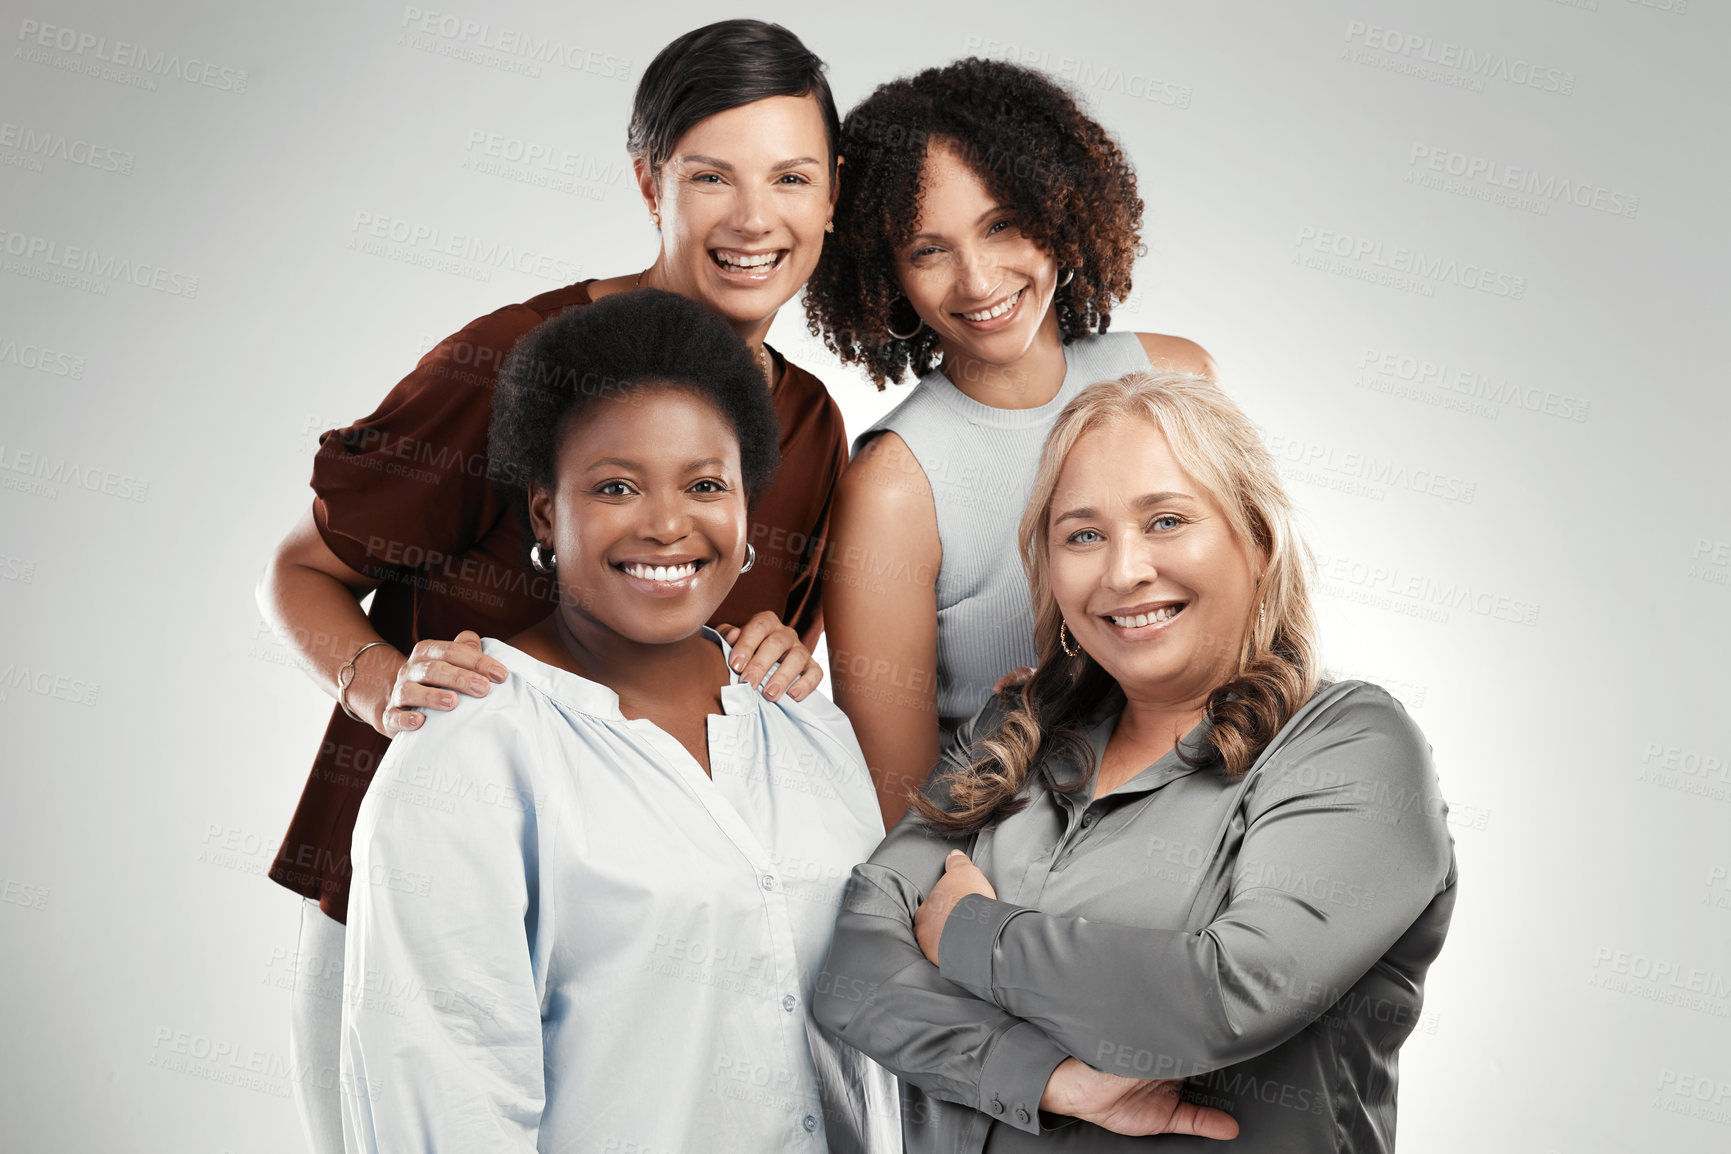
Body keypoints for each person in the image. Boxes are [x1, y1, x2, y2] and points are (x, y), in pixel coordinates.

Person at [255, 21, 849, 1152]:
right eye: (708, 175)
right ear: (648, 185)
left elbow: (739, 649)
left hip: (644, 928)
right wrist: (384, 687)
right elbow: (301, 566)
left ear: (831, 198)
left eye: (791, 176)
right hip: (422, 902)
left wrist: (781, 648)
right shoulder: (520, 364)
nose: (753, 217)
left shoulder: (812, 426)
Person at [814, 371, 1458, 1152]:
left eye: (1165, 521)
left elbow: (1222, 999)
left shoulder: (1347, 744)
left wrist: (967, 933)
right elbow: (850, 970)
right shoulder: (1013, 731)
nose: (1123, 572)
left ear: (1255, 541)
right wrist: (1051, 1082)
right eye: (1082, 535)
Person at [342, 288, 897, 1153]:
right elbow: (448, 1095)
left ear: (747, 508)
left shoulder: (800, 719)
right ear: (544, 514)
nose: (668, 524)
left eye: (705, 484)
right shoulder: (473, 752)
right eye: (614, 486)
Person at [803, 57, 1217, 828]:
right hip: (1018, 870)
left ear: (1059, 208)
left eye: (1000, 225)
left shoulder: (1174, 376)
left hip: (1218, 804)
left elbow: (1253, 622)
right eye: (928, 250)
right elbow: (904, 812)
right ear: (885, 274)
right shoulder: (896, 484)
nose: (977, 279)